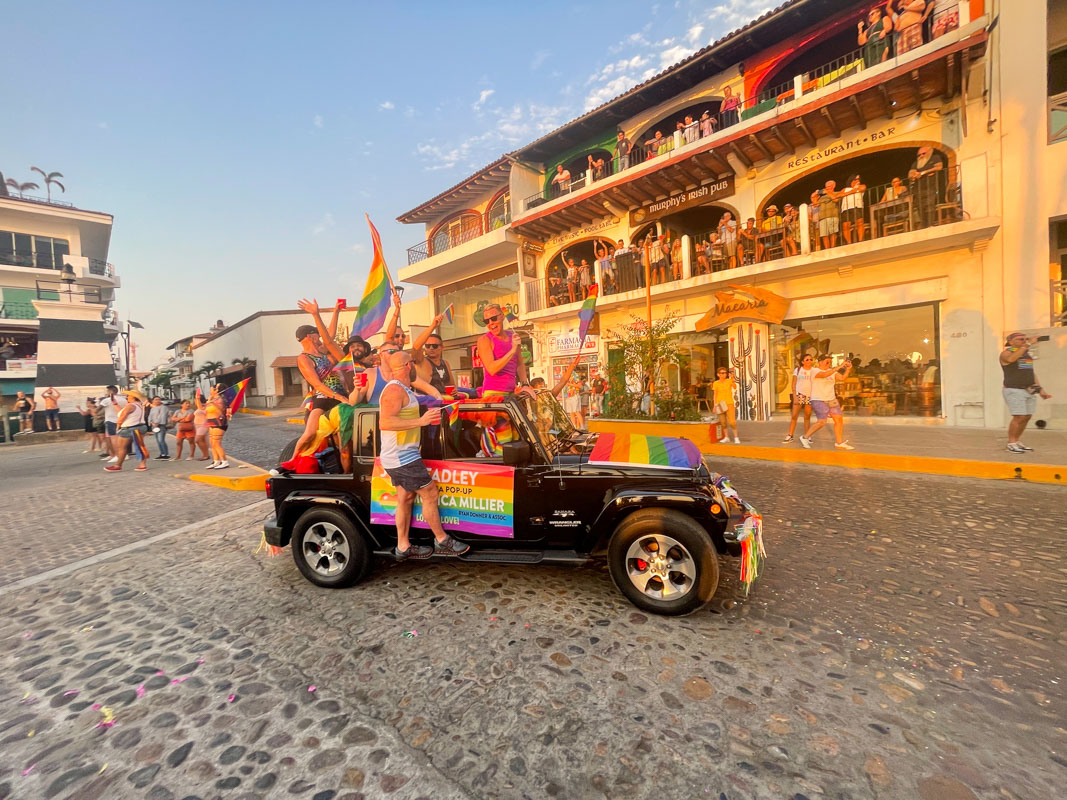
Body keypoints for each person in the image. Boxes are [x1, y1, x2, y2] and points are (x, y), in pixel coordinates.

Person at [378, 350, 470, 560]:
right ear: (409, 366)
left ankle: (403, 547)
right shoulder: (394, 390)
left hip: (399, 455)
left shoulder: (403, 388)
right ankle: (442, 540)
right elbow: (385, 422)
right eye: (413, 365)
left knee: (405, 497)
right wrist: (421, 421)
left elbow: (419, 399)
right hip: (402, 456)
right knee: (429, 493)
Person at [1000, 332, 1053, 454]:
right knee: (1019, 416)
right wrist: (1027, 344)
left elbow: (1030, 373)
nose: (1023, 341)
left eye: (1024, 339)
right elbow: (1011, 359)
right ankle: (1011, 443)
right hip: (1014, 390)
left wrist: (1040, 389)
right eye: (1019, 339)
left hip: (1028, 390)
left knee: (1027, 416)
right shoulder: (1007, 353)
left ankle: (1017, 441)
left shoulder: (1025, 354)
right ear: (1011, 342)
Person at [801, 355, 854, 450]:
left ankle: (839, 442)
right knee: (822, 422)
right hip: (818, 399)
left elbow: (842, 378)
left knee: (839, 419)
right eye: (827, 361)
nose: (828, 363)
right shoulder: (814, 371)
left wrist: (848, 369)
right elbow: (824, 375)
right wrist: (840, 366)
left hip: (831, 399)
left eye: (830, 362)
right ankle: (805, 437)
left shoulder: (833, 372)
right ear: (820, 362)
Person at [477, 303, 529, 396]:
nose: (491, 323)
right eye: (486, 321)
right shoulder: (485, 340)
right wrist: (512, 350)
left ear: (502, 317)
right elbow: (491, 369)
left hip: (511, 392)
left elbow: (520, 363)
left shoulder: (512, 335)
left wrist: (525, 384)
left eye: (493, 318)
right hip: (493, 393)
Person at [104, 390, 150, 471]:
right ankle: (142, 465)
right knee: (140, 446)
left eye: (128, 396)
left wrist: (118, 426)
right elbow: (121, 412)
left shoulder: (130, 405)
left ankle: (118, 465)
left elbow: (122, 416)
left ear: (133, 397)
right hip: (140, 427)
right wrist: (115, 404)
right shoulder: (140, 405)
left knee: (121, 448)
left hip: (129, 428)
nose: (127, 397)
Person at [411, 313, 455, 395]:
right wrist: (433, 326)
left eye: (434, 346)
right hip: (428, 403)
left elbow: (451, 386)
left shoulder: (445, 363)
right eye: (427, 346)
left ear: (442, 347)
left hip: (444, 402)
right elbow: (416, 347)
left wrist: (454, 392)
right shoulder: (422, 361)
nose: (431, 348)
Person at [908, 145, 945, 228]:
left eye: (923, 154)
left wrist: (924, 172)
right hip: (919, 189)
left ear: (929, 152)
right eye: (919, 155)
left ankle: (930, 224)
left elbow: (939, 167)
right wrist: (914, 175)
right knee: (920, 207)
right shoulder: (916, 163)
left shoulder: (935, 158)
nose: (921, 156)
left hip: (931, 186)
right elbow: (910, 173)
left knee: (930, 205)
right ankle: (924, 226)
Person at [783, 354, 816, 443]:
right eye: (807, 359)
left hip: (810, 395)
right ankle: (790, 435)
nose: (809, 361)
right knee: (794, 416)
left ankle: (807, 436)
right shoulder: (798, 370)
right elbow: (794, 383)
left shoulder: (814, 371)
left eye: (810, 359)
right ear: (802, 362)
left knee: (807, 416)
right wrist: (794, 395)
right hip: (799, 394)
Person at [201, 383, 231, 469]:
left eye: (212, 389)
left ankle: (224, 461)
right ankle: (216, 461)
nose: (210, 390)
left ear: (216, 390)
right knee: (213, 444)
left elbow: (220, 412)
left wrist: (212, 403)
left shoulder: (221, 400)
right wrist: (208, 401)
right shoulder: (212, 399)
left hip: (219, 423)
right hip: (211, 422)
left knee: (217, 443)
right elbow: (204, 410)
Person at [712, 367, 740, 444]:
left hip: (729, 403)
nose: (724, 374)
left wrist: (733, 378)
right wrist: (714, 405)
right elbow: (715, 394)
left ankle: (736, 437)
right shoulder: (716, 383)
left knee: (732, 421)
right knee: (723, 422)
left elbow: (735, 387)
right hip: (720, 403)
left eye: (725, 373)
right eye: (722, 373)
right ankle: (726, 437)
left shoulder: (729, 381)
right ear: (718, 374)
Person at [98, 385, 126, 461]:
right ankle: (118, 454)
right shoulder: (124, 400)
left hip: (110, 421)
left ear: (110, 391)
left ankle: (117, 455)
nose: (106, 393)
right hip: (121, 420)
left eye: (107, 391)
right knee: (121, 439)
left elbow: (98, 409)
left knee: (113, 439)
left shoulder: (106, 400)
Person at [838, 174, 867, 244]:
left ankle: (860, 240)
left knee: (859, 222)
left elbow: (862, 188)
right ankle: (849, 242)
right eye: (855, 180)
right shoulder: (845, 189)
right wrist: (852, 191)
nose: (857, 181)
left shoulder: (862, 186)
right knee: (846, 226)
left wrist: (847, 193)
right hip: (846, 208)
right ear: (851, 181)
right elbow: (839, 195)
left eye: (858, 180)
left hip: (857, 206)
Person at [817, 181, 841, 250]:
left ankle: (833, 248)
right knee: (824, 235)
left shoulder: (837, 193)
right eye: (826, 187)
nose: (827, 188)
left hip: (832, 216)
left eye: (829, 186)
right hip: (822, 217)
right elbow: (815, 204)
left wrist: (828, 193)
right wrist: (814, 195)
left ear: (833, 186)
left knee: (833, 233)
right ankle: (827, 249)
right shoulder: (822, 198)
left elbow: (836, 200)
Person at [147, 396, 171, 460]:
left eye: (158, 399)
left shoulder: (163, 407)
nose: (157, 401)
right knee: (158, 440)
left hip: (161, 425)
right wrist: (151, 422)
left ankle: (166, 454)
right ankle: (162, 453)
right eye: (155, 399)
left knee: (161, 440)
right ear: (152, 401)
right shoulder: (153, 408)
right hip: (154, 426)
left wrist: (157, 423)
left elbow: (162, 416)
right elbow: (150, 416)